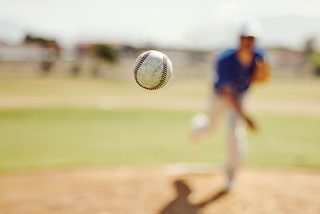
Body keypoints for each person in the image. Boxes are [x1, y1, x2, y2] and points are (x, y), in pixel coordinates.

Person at [189, 21, 270, 191]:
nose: (249, 41)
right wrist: (245, 117)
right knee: (210, 129)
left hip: (239, 96)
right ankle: (196, 127)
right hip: (220, 95)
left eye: (252, 38)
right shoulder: (226, 58)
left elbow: (258, 77)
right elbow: (227, 93)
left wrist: (259, 74)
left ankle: (231, 176)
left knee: (235, 135)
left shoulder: (259, 56)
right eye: (246, 37)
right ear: (239, 39)